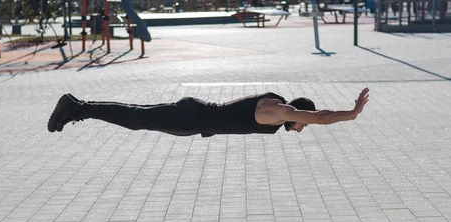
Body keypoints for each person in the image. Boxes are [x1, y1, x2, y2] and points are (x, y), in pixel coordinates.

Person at [47, 88, 370, 138]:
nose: (302, 129)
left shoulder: (275, 105)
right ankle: (78, 108)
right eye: (305, 124)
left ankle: (78, 108)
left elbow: (318, 116)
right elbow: (323, 116)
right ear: (301, 115)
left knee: (138, 115)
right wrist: (352, 113)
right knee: (136, 119)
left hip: (194, 116)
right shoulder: (280, 111)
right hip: (193, 118)